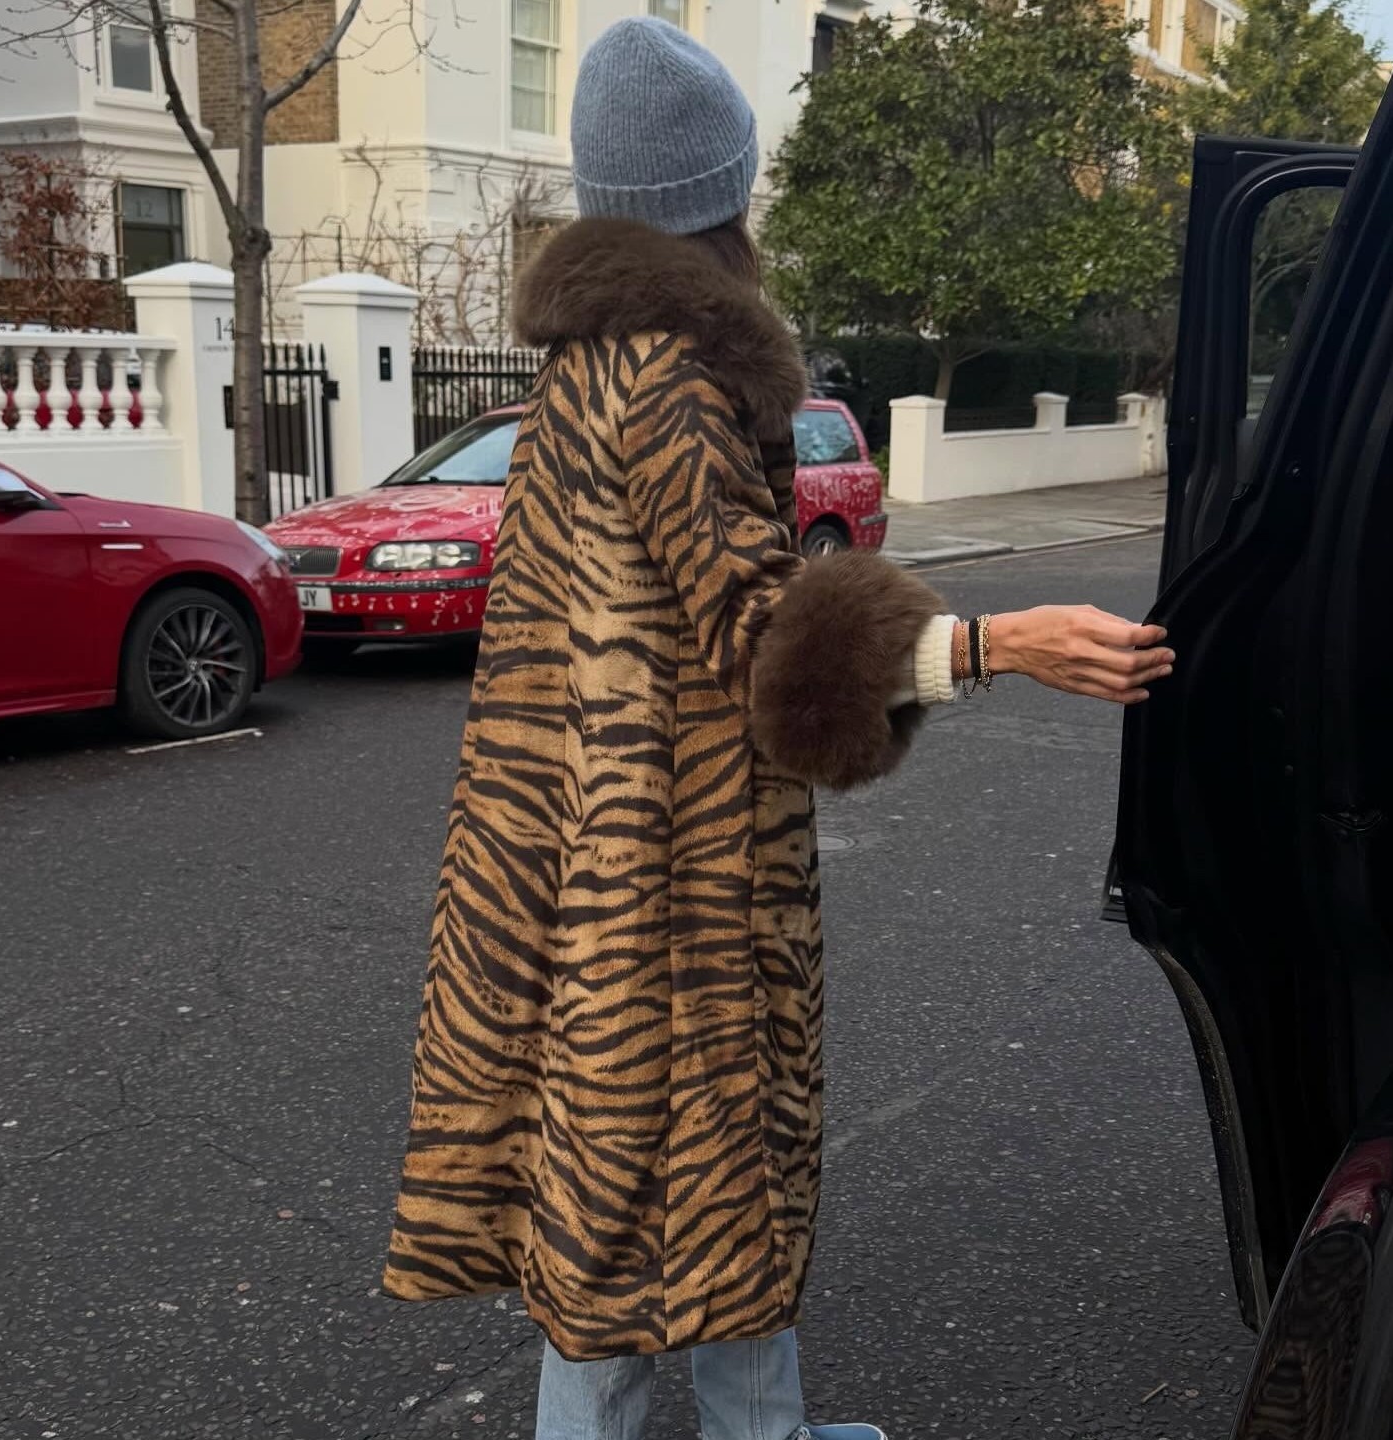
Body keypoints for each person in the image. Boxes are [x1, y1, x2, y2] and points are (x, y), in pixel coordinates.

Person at [382, 18, 1173, 1440]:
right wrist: (1001, 643)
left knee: (635, 1208)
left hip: (576, 875)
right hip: (667, 893)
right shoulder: (677, 384)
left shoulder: (579, 371)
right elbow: (769, 648)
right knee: (657, 1212)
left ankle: (774, 1431)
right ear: (719, 198)